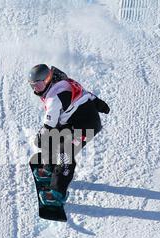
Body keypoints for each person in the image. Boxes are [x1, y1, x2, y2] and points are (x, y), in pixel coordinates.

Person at [28, 64, 110, 206]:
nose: (36, 90)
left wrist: (40, 139)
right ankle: (50, 167)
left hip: (87, 126)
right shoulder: (63, 81)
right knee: (52, 138)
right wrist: (98, 102)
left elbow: (48, 126)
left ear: (47, 80)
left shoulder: (54, 98)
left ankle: (58, 193)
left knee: (65, 152)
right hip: (72, 120)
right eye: (33, 86)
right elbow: (85, 94)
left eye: (39, 86)